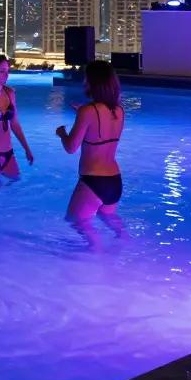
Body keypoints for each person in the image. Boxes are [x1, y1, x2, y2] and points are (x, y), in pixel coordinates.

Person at [56, 60, 127, 244]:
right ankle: (125, 245)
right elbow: (101, 126)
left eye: (86, 78)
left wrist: (62, 133)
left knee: (75, 221)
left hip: (93, 181)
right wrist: (83, 112)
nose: (84, 81)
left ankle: (96, 254)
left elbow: (71, 148)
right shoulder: (119, 110)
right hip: (114, 180)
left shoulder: (87, 111)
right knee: (109, 218)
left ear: (93, 82)